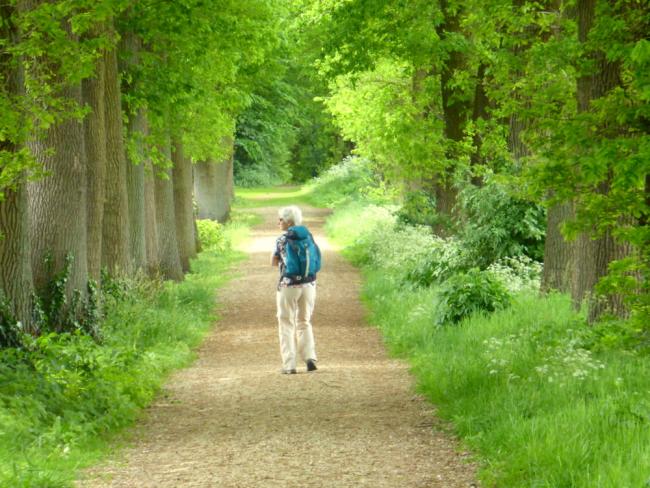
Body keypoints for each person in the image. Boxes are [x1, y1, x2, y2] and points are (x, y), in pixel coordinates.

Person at [271, 205, 318, 374]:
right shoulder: (308, 236)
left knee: (286, 323)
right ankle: (310, 357)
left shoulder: (282, 240)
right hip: (308, 285)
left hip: (288, 285)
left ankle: (289, 365)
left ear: (289, 221)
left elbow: (274, 262)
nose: (279, 222)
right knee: (304, 321)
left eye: (281, 219)